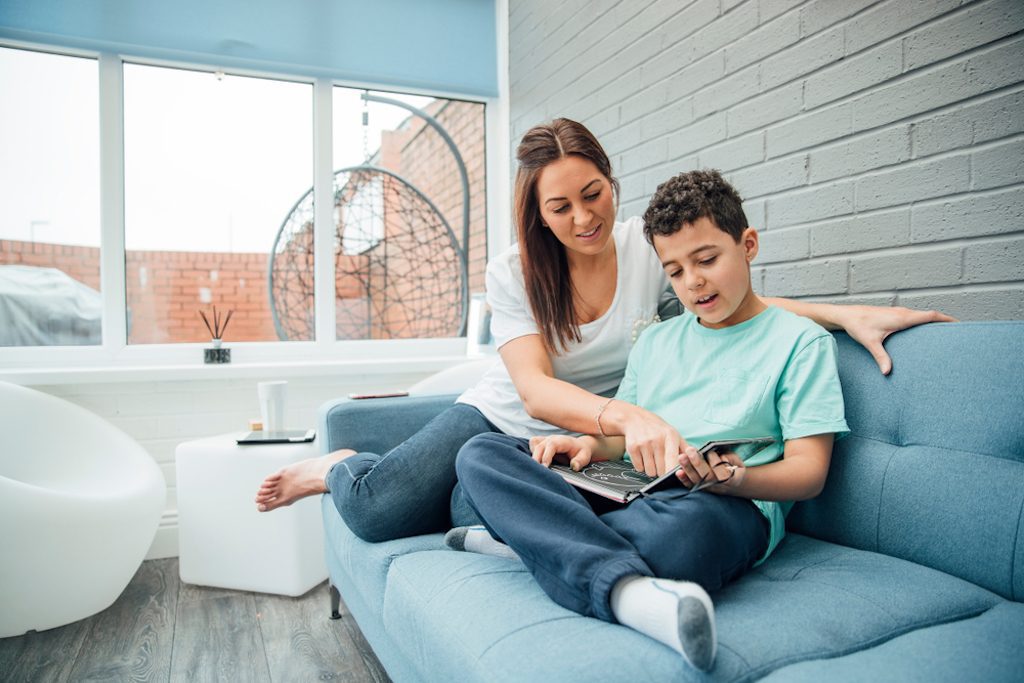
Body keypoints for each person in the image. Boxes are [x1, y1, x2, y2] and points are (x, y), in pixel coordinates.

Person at [253, 118, 950, 545]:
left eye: (594, 194)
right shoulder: (513, 272)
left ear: (611, 181)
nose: (583, 217)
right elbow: (534, 388)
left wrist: (846, 314)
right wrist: (627, 414)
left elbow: (738, 305)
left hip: (584, 444)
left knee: (469, 502)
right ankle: (341, 463)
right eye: (561, 206)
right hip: (500, 417)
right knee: (378, 511)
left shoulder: (651, 253)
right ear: (539, 214)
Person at [448, 169, 851, 671]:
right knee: (483, 456)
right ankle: (610, 578)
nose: (693, 281)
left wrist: (736, 479)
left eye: (706, 260)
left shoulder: (800, 343)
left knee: (679, 543)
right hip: (630, 485)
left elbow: (810, 473)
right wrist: (587, 448)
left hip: (722, 503)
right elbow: (618, 442)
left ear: (748, 245)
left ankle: (539, 548)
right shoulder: (659, 340)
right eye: (675, 271)